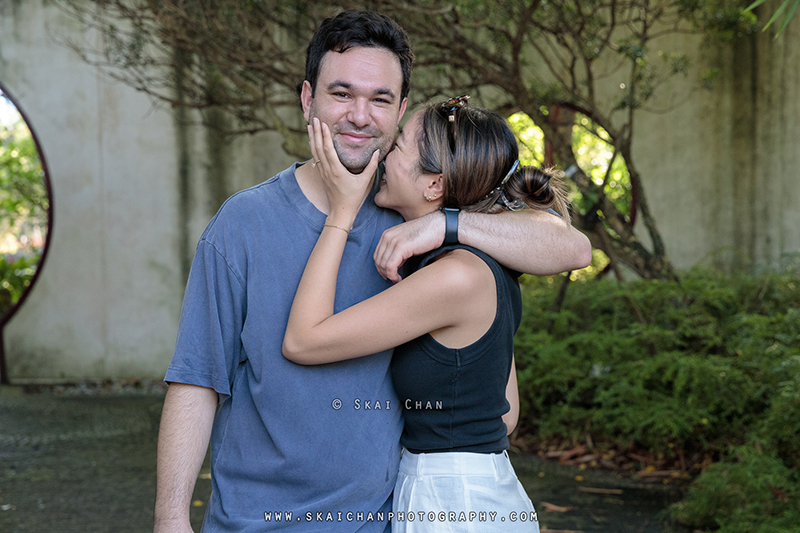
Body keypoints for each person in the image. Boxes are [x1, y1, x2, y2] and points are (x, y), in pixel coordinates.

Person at [154, 10, 591, 533]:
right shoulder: (243, 223)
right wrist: (171, 518)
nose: (360, 115)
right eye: (341, 94)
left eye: (380, 99)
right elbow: (197, 380)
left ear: (401, 110)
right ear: (307, 99)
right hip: (256, 521)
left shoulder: (415, 215)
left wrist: (446, 226)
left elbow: (569, 245)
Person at [283, 98, 559, 532]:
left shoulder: (454, 276)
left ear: (434, 185)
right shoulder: (478, 260)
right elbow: (504, 414)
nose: (385, 151)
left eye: (399, 148)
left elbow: (303, 340)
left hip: (455, 503)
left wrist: (341, 213)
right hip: (465, 492)